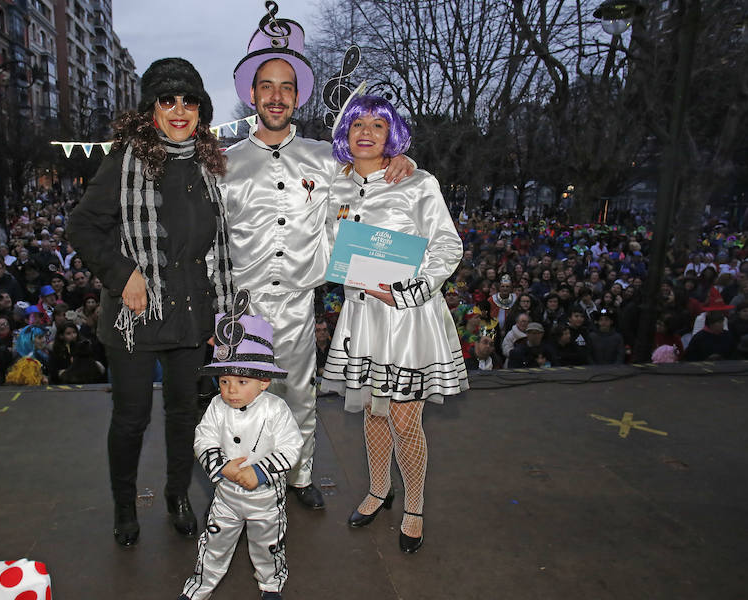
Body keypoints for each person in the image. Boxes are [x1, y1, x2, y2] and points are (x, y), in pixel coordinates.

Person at [221, 9, 413, 509]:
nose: (277, 96)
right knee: (241, 404)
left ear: (298, 95)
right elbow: (208, 243)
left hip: (299, 306)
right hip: (241, 309)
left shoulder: (325, 158)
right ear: (252, 94)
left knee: (299, 397)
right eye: (267, 86)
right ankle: (244, 484)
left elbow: (362, 199)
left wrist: (398, 160)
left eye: (286, 86)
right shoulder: (222, 163)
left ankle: (301, 476)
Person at [67, 58, 233, 544]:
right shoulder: (123, 161)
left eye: (189, 101)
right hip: (135, 316)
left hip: (191, 315)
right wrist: (123, 275)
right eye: (168, 100)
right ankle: (124, 507)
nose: (179, 110)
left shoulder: (211, 164)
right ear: (151, 110)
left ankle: (177, 495)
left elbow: (217, 245)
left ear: (201, 109)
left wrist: (218, 312)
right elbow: (82, 226)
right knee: (132, 417)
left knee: (185, 413)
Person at [320, 95, 468, 554]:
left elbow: (448, 246)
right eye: (356, 123)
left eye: (377, 126)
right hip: (362, 316)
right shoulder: (333, 183)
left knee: (405, 419)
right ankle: (378, 489)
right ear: (344, 133)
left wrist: (409, 290)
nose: (365, 132)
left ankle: (415, 506)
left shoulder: (418, 181)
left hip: (407, 318)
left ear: (392, 135)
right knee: (371, 409)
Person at [178, 297, 301, 600]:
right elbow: (203, 438)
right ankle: (199, 587)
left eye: (242, 381)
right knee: (213, 544)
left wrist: (260, 471)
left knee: (268, 545)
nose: (231, 390)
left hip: (266, 499)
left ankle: (270, 584)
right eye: (223, 381)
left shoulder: (276, 410)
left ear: (264, 382)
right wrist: (222, 466)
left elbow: (291, 445)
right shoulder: (217, 407)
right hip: (226, 496)